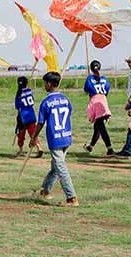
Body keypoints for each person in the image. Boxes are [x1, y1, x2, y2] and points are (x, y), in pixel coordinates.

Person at [31, 71, 79, 206]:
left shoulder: (46, 102)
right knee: (56, 167)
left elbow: (40, 122)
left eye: (44, 83)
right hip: (66, 137)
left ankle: (72, 198)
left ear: (49, 84)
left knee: (61, 168)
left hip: (55, 139)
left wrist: (34, 137)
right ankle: (45, 190)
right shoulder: (66, 99)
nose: (43, 85)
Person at [83, 60, 114, 156]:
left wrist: (89, 79)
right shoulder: (104, 79)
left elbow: (86, 90)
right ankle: (90, 146)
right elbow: (107, 90)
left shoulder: (90, 78)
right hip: (103, 101)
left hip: (95, 102)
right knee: (98, 126)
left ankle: (110, 148)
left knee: (100, 126)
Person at [14, 76, 42, 157]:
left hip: (23, 117)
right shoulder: (29, 91)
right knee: (33, 133)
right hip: (31, 115)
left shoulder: (18, 93)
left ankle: (21, 149)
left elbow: (17, 106)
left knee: (21, 134)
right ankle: (39, 147)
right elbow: (32, 101)